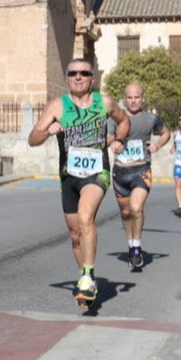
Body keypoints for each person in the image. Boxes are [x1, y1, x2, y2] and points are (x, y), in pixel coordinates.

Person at [28, 59, 130, 309]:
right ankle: (87, 276)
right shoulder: (57, 106)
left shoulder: (103, 102)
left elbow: (124, 120)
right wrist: (47, 131)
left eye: (83, 73)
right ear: (67, 78)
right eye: (72, 73)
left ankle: (86, 276)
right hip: (68, 176)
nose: (78, 77)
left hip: (97, 172)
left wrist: (119, 140)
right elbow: (33, 139)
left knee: (86, 218)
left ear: (92, 79)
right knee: (75, 235)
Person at [109, 84, 162, 270]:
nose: (133, 101)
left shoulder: (151, 118)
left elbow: (166, 133)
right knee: (125, 213)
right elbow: (107, 137)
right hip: (120, 173)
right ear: (124, 99)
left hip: (141, 170)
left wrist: (158, 145)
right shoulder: (115, 118)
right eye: (130, 98)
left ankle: (137, 245)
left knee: (136, 208)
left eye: (137, 97)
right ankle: (131, 245)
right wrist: (114, 142)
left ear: (143, 98)